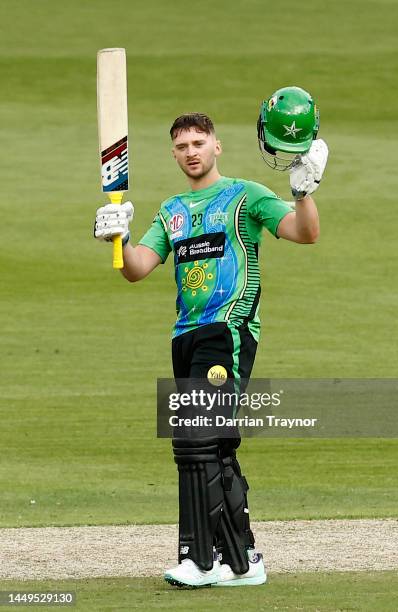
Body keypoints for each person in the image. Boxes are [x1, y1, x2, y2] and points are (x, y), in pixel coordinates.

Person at [94, 86, 329, 588]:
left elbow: (304, 233)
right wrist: (119, 237)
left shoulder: (247, 195)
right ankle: (241, 562)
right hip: (185, 335)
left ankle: (200, 560)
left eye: (199, 142)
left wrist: (304, 191)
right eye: (181, 146)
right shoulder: (173, 209)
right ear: (174, 153)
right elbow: (138, 269)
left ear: (216, 146)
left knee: (196, 439)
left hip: (229, 330)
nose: (191, 152)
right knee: (212, 446)